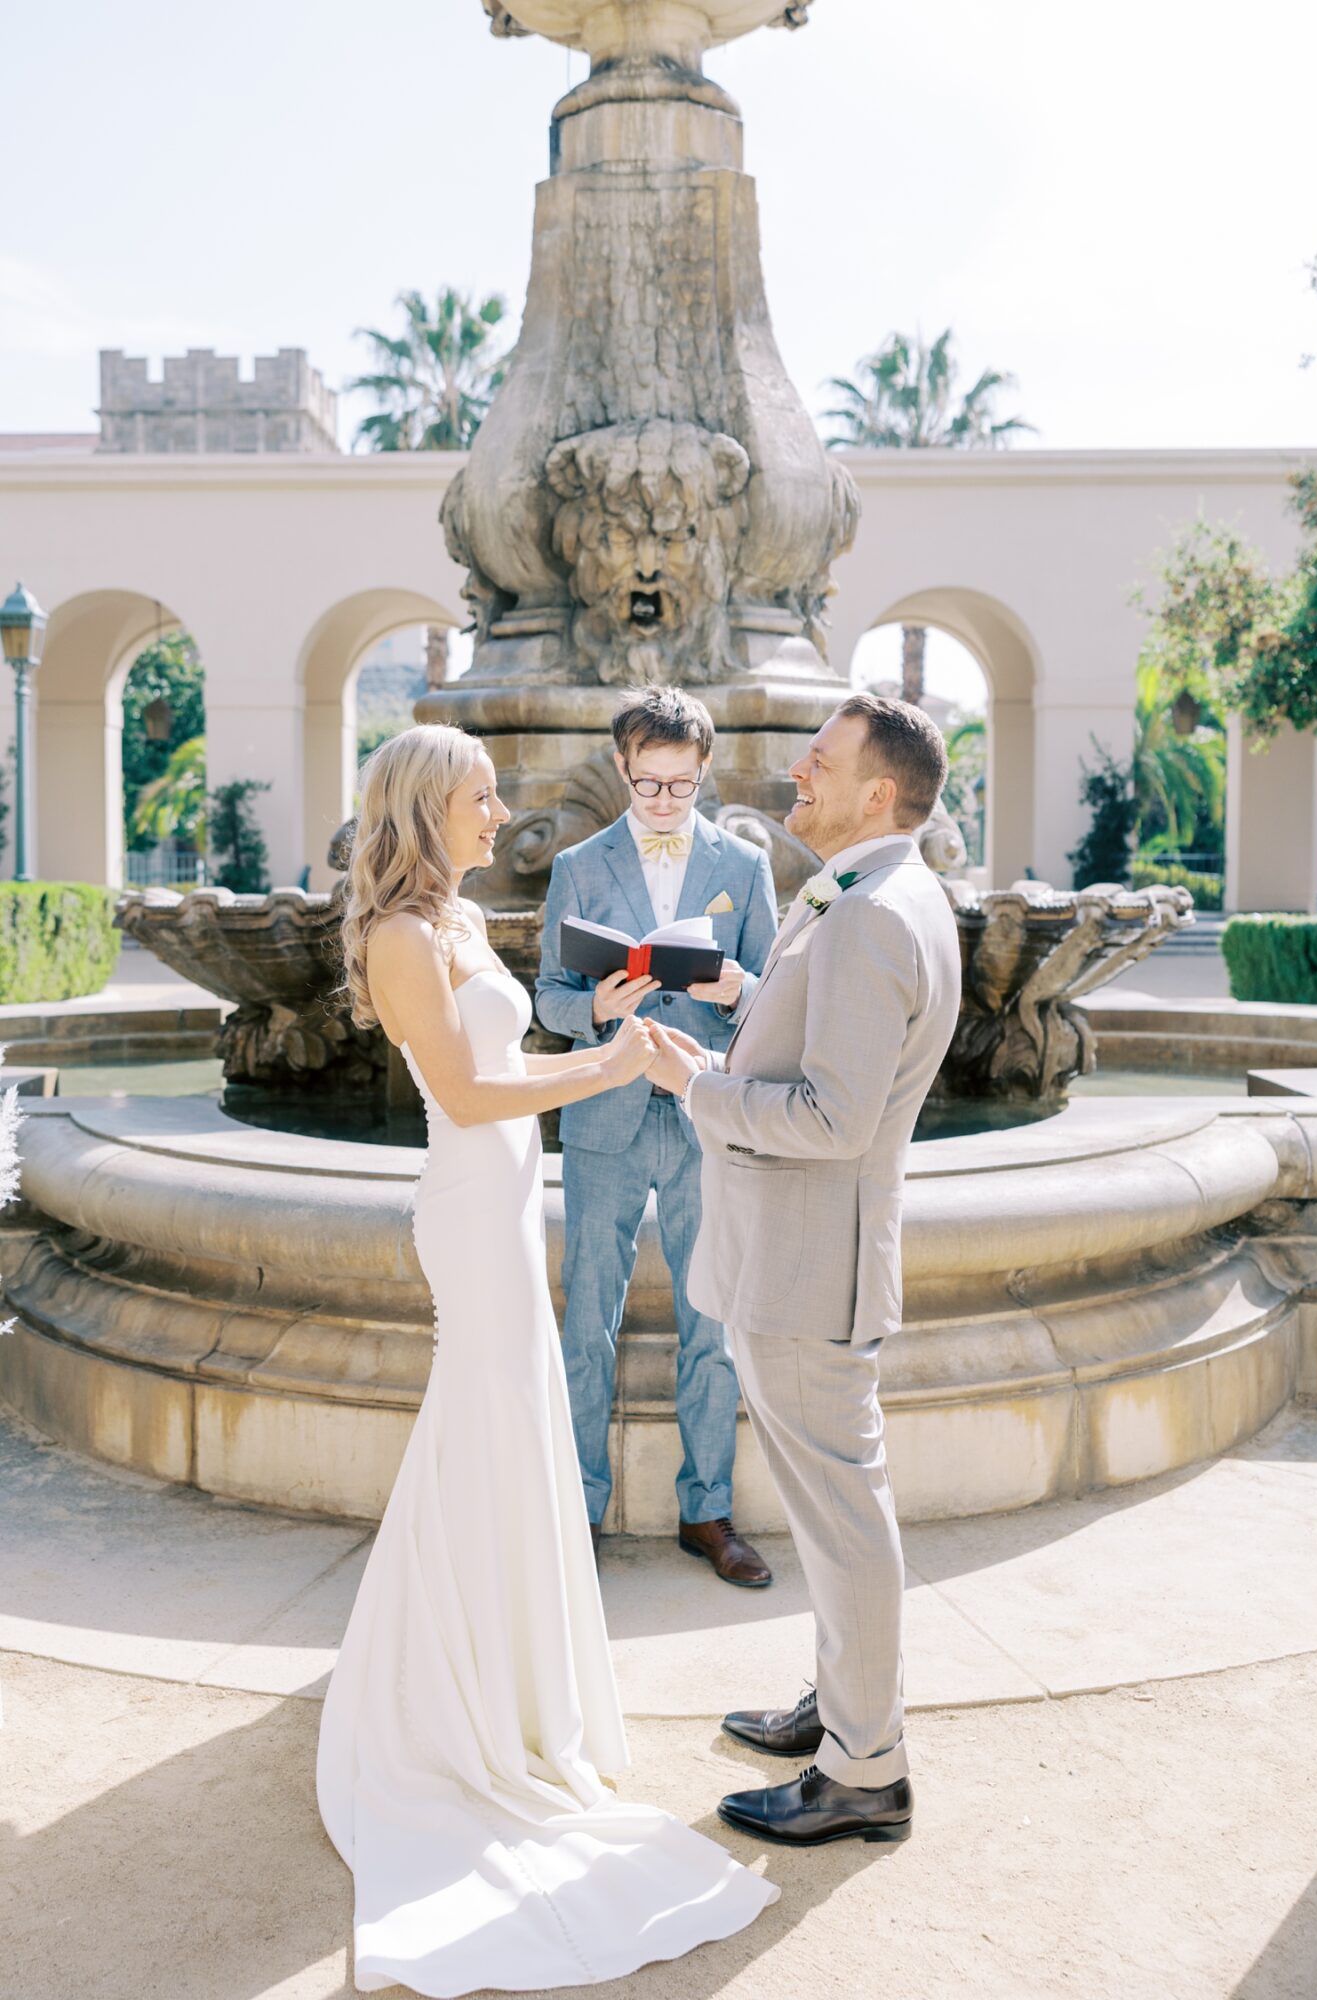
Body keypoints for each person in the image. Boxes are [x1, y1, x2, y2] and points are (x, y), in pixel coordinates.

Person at [316, 724, 776, 1996]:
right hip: (469, 1209)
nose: (496, 810)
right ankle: (441, 1698)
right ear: (426, 806)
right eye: (479, 795)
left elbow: (509, 1059)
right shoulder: (404, 938)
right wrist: (613, 1063)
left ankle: (500, 1681)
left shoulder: (457, 921)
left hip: (511, 1202)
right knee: (483, 1419)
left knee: (505, 1427)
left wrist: (605, 1039)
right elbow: (467, 1094)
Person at [645, 691, 962, 1847]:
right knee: (838, 1511)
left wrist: (698, 1089)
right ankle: (842, 1709)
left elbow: (832, 1118)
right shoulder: (876, 891)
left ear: (879, 792)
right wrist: (735, 1017)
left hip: (808, 1267)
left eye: (820, 763)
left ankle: (864, 1770)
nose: (798, 776)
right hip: (800, 1256)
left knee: (841, 1517)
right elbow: (823, 1043)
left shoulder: (876, 912)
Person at [536, 685, 779, 1580]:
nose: (665, 801)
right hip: (604, 1115)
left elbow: (774, 999)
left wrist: (736, 991)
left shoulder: (745, 865)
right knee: (585, 1325)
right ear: (621, 769)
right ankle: (578, 1509)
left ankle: (706, 1512)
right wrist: (592, 1007)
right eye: (648, 786)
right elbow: (549, 999)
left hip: (703, 1116)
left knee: (709, 1319)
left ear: (704, 770)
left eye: (680, 785)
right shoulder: (577, 864)